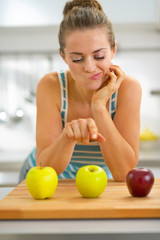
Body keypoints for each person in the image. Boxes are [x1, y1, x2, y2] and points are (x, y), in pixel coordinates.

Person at [19, 0, 142, 183]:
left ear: (113, 49)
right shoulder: (51, 86)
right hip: (47, 182)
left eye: (99, 56)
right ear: (63, 56)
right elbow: (45, 168)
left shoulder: (128, 89)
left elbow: (123, 172)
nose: (90, 67)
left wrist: (98, 107)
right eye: (77, 59)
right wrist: (67, 137)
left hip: (97, 181)